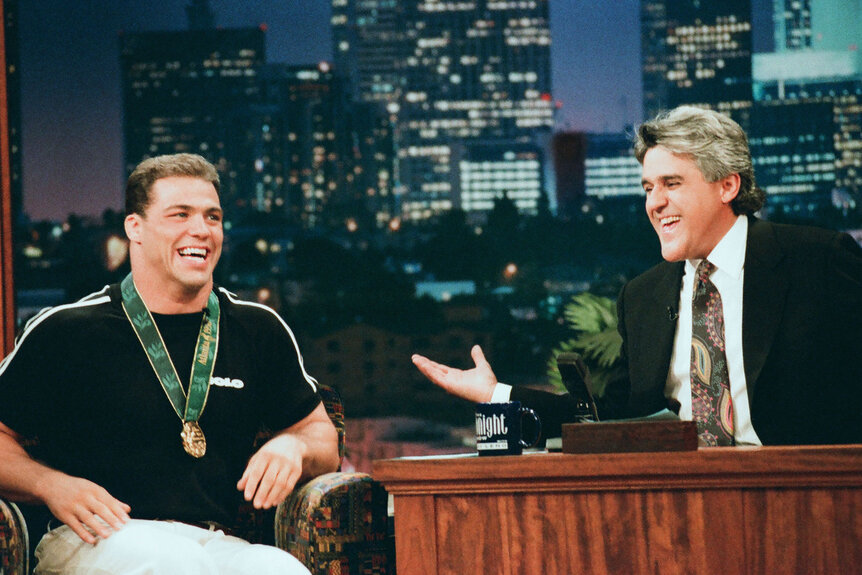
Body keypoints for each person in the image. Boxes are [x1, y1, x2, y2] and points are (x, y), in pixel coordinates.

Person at [413, 106, 862, 447]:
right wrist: (497, 395)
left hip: (814, 506)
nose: (655, 203)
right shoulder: (644, 297)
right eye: (648, 188)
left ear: (728, 185)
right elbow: (610, 421)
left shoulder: (816, 261)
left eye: (672, 183)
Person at [0, 153, 340, 574]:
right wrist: (49, 484)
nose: (200, 230)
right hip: (91, 537)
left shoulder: (257, 328)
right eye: (180, 215)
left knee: (278, 569)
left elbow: (323, 438)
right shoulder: (67, 330)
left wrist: (296, 445)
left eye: (212, 217)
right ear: (135, 228)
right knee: (173, 563)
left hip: (215, 541)